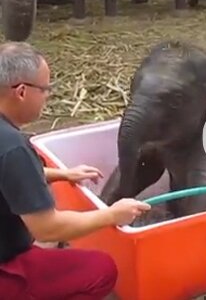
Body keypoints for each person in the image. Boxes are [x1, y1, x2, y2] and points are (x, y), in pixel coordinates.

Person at [0, 41, 152, 299]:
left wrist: (62, 174)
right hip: (6, 267)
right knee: (101, 269)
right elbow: (47, 229)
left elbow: (8, 175)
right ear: (22, 92)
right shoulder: (13, 147)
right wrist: (112, 215)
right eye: (45, 89)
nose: (47, 96)